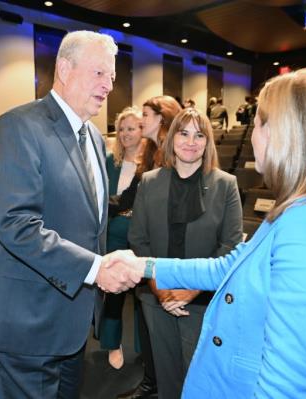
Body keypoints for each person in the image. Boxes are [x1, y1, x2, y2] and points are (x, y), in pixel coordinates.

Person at [107, 68, 306, 398]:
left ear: (283, 133)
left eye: (258, 124)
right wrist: (146, 267)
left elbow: (288, 383)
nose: (253, 136)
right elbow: (230, 266)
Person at [0, 30, 141, 399]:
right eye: (99, 73)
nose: (109, 85)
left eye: (112, 76)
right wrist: (97, 269)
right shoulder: (19, 125)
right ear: (64, 67)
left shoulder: (94, 137)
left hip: (70, 323)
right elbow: (17, 225)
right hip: (24, 322)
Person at [128, 107, 243, 399]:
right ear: (172, 138)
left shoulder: (226, 184)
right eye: (183, 133)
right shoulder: (150, 181)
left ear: (208, 142)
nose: (191, 141)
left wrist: (188, 291)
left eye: (199, 135)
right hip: (156, 298)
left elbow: (229, 247)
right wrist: (163, 291)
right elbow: (138, 240)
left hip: (204, 300)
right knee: (167, 380)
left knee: (201, 381)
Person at [117, 95, 183, 399]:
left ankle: (160, 385)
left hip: (170, 254)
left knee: (167, 328)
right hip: (148, 251)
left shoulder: (177, 153)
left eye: (146, 114)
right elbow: (127, 200)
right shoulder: (152, 154)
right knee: (147, 320)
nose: (140, 120)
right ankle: (151, 383)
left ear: (163, 118)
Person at [100, 106, 144, 370]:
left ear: (142, 130)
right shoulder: (109, 161)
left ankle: (143, 345)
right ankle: (112, 344)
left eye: (132, 128)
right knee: (114, 291)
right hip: (115, 229)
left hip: (142, 231)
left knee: (143, 294)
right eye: (122, 129)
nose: (126, 134)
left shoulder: (152, 162)